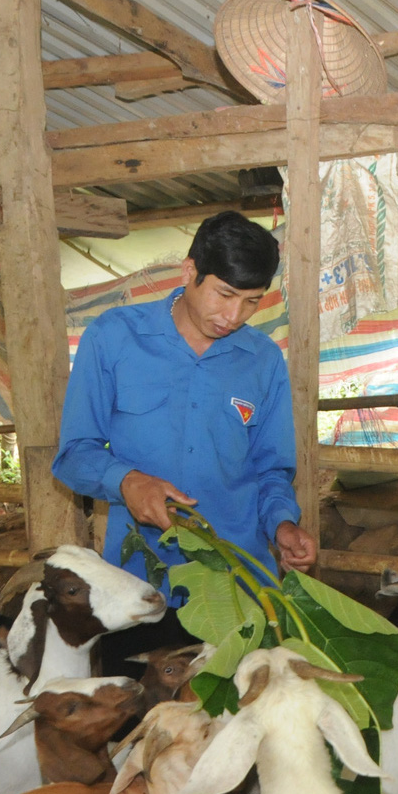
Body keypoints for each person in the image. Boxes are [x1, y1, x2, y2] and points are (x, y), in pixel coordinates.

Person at [55, 210, 318, 587]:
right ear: (189, 271)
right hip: (140, 582)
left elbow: (272, 470)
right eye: (225, 294)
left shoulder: (263, 360)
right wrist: (127, 481)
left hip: (239, 578)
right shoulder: (112, 338)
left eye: (251, 302)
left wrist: (283, 524)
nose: (233, 316)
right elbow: (74, 454)